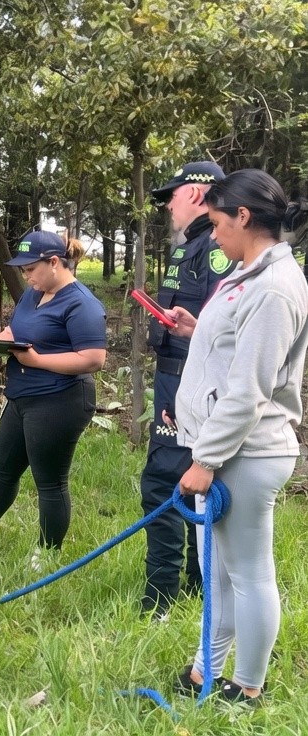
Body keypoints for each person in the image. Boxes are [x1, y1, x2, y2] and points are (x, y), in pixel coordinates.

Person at [165, 170, 308, 705]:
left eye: (218, 222)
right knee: (219, 574)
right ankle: (206, 671)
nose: (214, 234)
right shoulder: (250, 274)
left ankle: (247, 687)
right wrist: (196, 328)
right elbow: (235, 347)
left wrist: (205, 460)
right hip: (229, 448)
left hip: (246, 452)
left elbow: (248, 391)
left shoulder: (273, 288)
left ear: (243, 217)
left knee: (247, 574)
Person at [0, 231, 107, 570]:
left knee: (50, 481)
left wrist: (38, 361)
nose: (26, 276)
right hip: (21, 395)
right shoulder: (33, 295)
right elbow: (16, 331)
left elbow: (93, 359)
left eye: (31, 269)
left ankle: (47, 553)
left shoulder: (81, 304)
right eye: (23, 270)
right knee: (3, 470)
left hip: (59, 400)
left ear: (54, 262)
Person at [140, 161, 234, 618]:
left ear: (196, 194)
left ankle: (160, 599)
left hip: (192, 387)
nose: (168, 207)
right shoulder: (193, 245)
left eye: (172, 196)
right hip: (174, 382)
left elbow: (227, 334)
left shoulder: (214, 249)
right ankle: (199, 590)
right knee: (186, 485)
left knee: (163, 483)